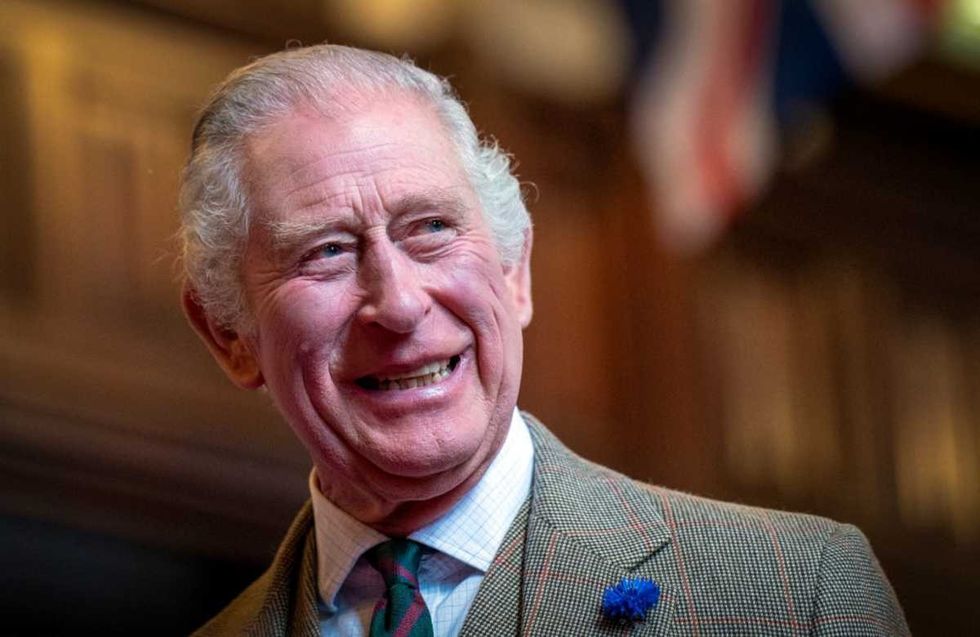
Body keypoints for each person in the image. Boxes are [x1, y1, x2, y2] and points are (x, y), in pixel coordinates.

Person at [179, 44, 909, 636]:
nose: (398, 303)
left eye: (430, 228)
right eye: (327, 251)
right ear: (229, 335)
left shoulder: (794, 595)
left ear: (515, 271)